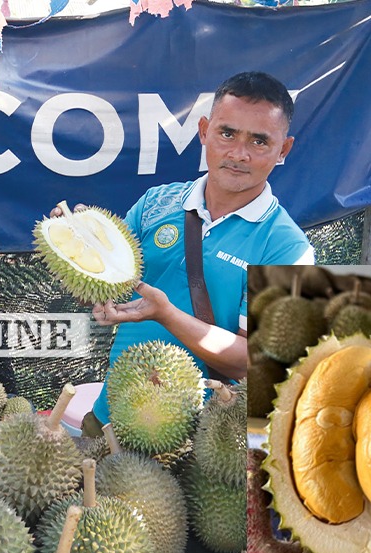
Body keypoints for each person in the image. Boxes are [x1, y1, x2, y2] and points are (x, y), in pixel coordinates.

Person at [81, 71, 314, 429]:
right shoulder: (156, 203)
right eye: (227, 133)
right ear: (204, 130)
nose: (239, 154)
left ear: (283, 149)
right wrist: (79, 245)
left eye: (259, 142)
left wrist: (166, 314)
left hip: (200, 438)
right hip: (111, 414)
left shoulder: (287, 248)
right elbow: (104, 282)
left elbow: (248, 361)